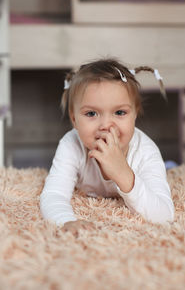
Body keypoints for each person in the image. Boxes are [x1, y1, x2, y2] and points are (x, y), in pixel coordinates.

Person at [40, 58, 174, 236]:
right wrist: (66, 220)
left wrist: (122, 172)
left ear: (134, 115)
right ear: (74, 120)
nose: (106, 125)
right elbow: (53, 194)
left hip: (144, 169)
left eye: (120, 112)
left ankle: (168, 166)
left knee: (160, 173)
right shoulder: (71, 144)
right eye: (91, 113)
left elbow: (164, 215)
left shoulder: (145, 151)